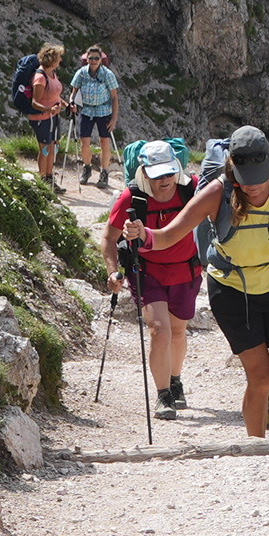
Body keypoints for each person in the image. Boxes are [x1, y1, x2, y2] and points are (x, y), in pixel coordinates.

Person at [145, 125, 269, 437]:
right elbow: (171, 234)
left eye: (259, 177)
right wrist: (142, 237)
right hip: (230, 291)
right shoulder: (217, 193)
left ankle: (268, 388)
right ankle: (257, 450)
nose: (253, 187)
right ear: (233, 168)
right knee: (257, 375)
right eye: (246, 179)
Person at [104, 143, 201, 416]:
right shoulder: (131, 200)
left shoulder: (191, 190)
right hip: (147, 272)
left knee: (179, 331)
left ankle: (175, 379)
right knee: (160, 330)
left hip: (187, 271)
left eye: (169, 173)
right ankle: (164, 396)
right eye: (157, 175)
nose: (165, 180)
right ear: (144, 173)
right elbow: (109, 239)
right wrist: (113, 271)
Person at [67, 47, 124, 188]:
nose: (93, 61)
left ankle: (104, 172)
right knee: (84, 141)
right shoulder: (81, 73)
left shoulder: (107, 74)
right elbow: (73, 92)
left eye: (96, 58)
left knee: (104, 142)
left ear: (101, 60)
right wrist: (72, 103)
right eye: (90, 58)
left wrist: (114, 119)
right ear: (86, 59)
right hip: (86, 110)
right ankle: (87, 168)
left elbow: (115, 97)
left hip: (104, 111)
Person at [23, 40, 68, 184]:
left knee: (53, 146)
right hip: (41, 118)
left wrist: (65, 104)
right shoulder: (40, 77)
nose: (61, 59)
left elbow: (54, 95)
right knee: (45, 148)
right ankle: (43, 179)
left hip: (53, 116)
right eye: (59, 57)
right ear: (53, 59)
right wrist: (50, 109)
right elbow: (35, 102)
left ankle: (49, 178)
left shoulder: (52, 74)